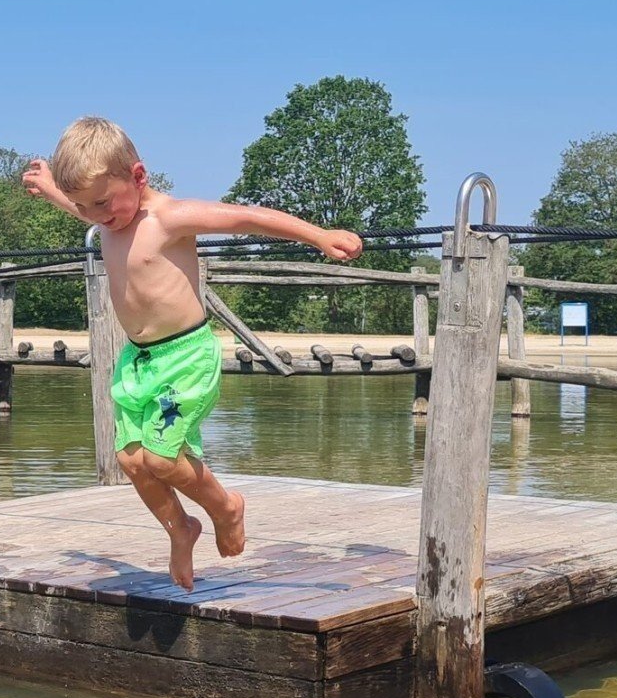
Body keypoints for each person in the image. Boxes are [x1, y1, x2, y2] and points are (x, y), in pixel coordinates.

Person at [23, 117, 363, 591]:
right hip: (139, 360)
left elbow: (248, 217)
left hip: (185, 357)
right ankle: (180, 528)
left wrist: (319, 236)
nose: (95, 215)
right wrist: (51, 188)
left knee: (162, 460)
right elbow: (83, 204)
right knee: (131, 461)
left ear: (138, 178)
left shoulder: (169, 217)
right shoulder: (105, 215)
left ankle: (226, 506)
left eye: (101, 202)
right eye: (85, 206)